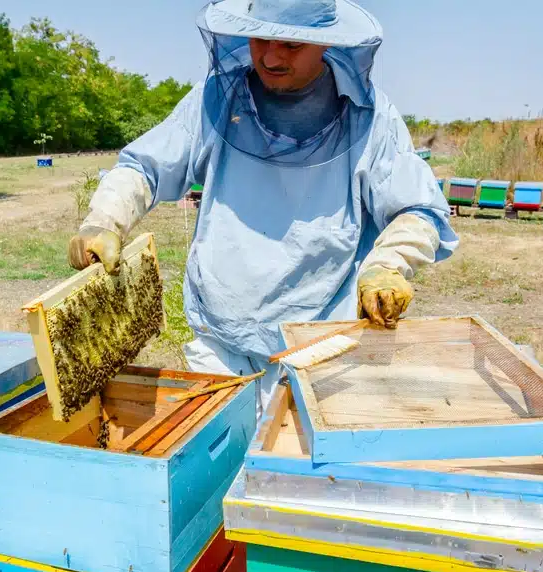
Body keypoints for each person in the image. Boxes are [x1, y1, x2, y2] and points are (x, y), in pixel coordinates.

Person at [69, 0, 459, 410]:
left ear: (326, 43)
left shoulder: (371, 117)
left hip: (320, 344)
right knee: (219, 463)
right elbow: (145, 167)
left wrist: (388, 264)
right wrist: (104, 220)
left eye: (291, 44)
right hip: (220, 340)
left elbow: (418, 209)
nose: (271, 57)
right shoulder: (216, 100)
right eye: (261, 38)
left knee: (293, 471)